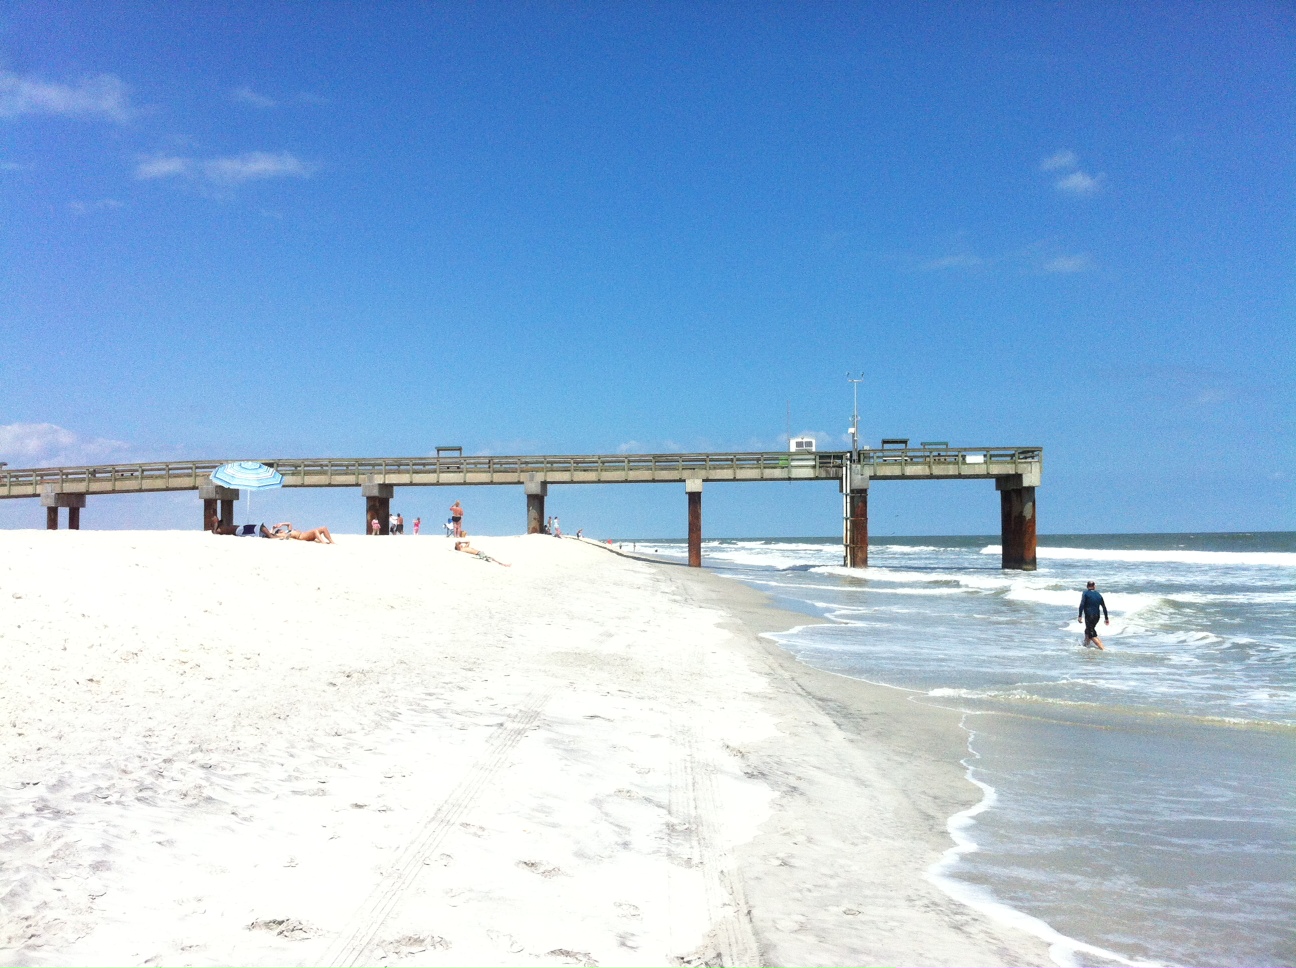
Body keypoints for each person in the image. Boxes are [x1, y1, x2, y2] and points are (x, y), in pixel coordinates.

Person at [1078, 580, 1109, 649]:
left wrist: (1080, 616)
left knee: (1091, 634)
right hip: (1097, 617)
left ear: (1087, 586)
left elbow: (1082, 604)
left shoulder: (1085, 593)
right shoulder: (1099, 595)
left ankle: (1103, 649)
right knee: (1088, 630)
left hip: (1089, 616)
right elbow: (1104, 607)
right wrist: (1106, 618)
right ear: (1094, 586)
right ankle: (1086, 645)